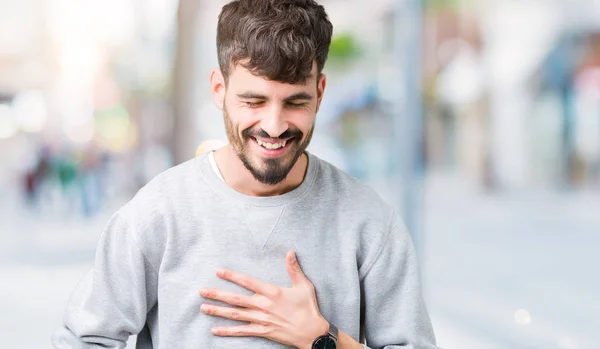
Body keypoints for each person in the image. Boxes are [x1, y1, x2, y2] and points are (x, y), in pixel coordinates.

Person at [52, 0, 438, 348]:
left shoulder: (369, 222)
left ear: (320, 92)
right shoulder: (157, 214)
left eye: (295, 102)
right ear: (219, 89)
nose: (273, 126)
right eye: (253, 101)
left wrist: (325, 341)